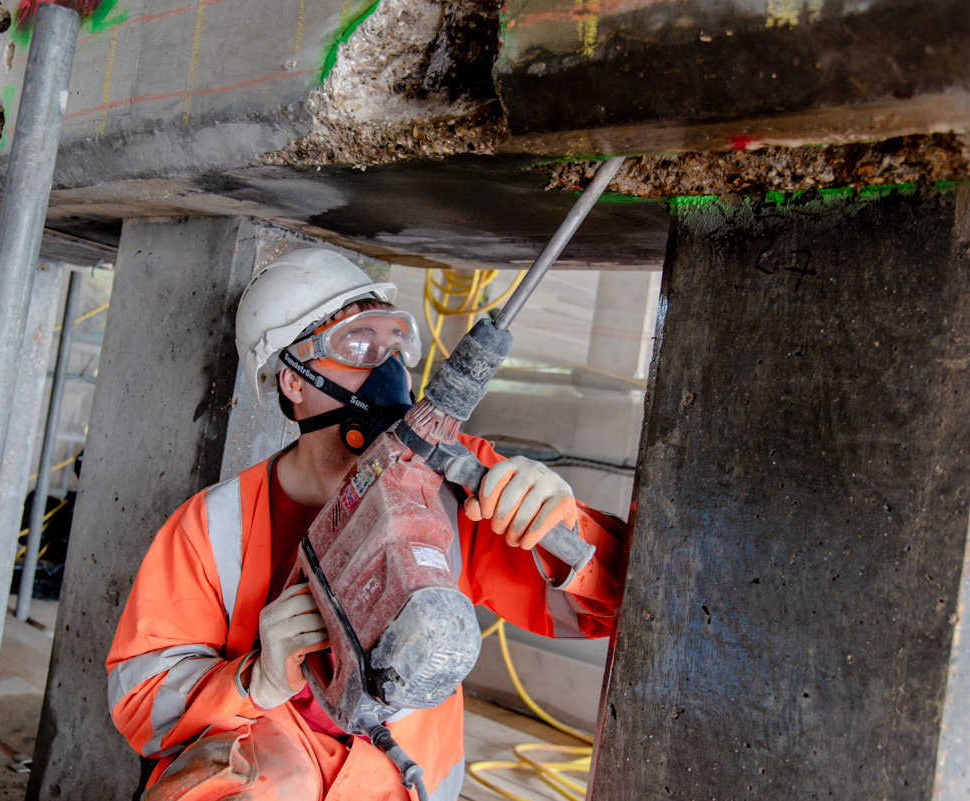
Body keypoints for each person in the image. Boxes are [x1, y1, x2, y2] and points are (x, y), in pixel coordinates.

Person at [107, 248, 626, 801]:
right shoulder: (212, 526)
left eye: (393, 342)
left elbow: (612, 610)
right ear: (294, 381)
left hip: (401, 780)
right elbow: (143, 701)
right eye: (356, 345)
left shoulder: (451, 487)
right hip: (268, 763)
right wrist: (252, 682)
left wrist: (563, 529)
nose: (389, 368)